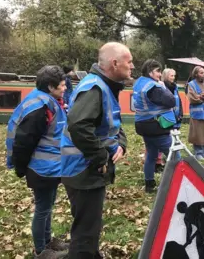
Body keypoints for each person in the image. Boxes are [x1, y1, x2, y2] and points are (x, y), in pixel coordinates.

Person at [60, 42, 131, 258]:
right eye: (129, 61)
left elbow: (111, 124)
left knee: (89, 227)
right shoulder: (95, 88)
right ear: (114, 63)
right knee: (85, 232)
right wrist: (101, 158)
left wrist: (121, 144)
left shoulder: (104, 86)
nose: (132, 66)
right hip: (84, 169)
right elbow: (79, 125)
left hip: (87, 168)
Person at [6, 65, 69, 258]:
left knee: (48, 205)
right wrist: (21, 167)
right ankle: (41, 250)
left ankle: (48, 241)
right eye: (62, 85)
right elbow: (24, 141)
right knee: (43, 208)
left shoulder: (46, 101)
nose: (65, 88)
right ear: (50, 86)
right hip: (41, 168)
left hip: (50, 166)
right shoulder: (40, 108)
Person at [133, 60, 180, 193]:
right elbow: (171, 101)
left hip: (143, 125)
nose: (160, 74)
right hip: (157, 126)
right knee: (174, 154)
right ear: (150, 72)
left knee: (151, 154)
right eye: (158, 71)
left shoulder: (139, 83)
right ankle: (178, 183)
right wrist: (164, 87)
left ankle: (149, 184)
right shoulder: (153, 87)